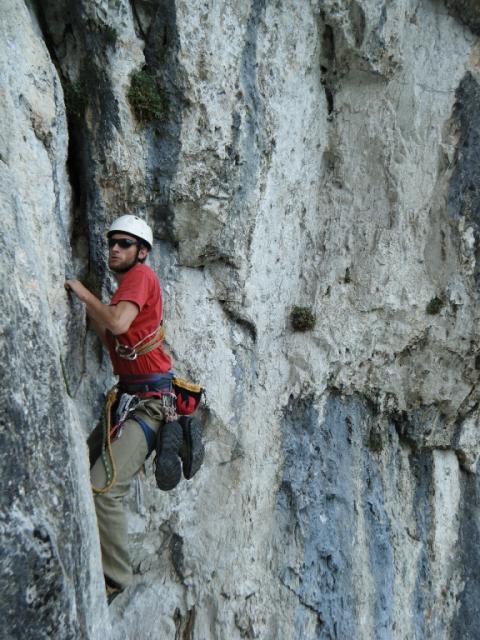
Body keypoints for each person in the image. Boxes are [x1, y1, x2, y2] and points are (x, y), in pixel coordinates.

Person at [65, 215, 190, 604]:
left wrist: (83, 294)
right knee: (77, 469)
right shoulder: (127, 289)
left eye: (124, 243)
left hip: (148, 407)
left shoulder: (140, 277)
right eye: (112, 243)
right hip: (131, 400)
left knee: (104, 486)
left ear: (142, 252)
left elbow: (117, 325)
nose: (115, 249)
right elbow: (113, 334)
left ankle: (114, 578)